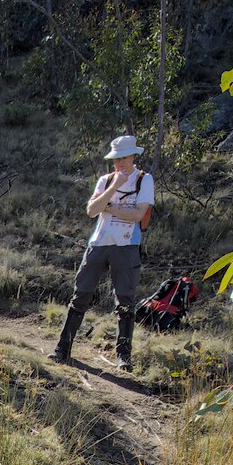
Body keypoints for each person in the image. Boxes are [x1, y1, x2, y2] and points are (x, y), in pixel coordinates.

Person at [54, 134, 154, 370]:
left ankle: (123, 356)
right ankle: (62, 348)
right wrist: (115, 188)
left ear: (133, 156)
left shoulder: (144, 180)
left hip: (127, 245)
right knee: (81, 295)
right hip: (98, 243)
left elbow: (138, 214)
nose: (119, 163)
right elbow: (92, 210)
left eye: (123, 158)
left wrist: (110, 207)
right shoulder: (106, 180)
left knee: (126, 301)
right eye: (115, 159)